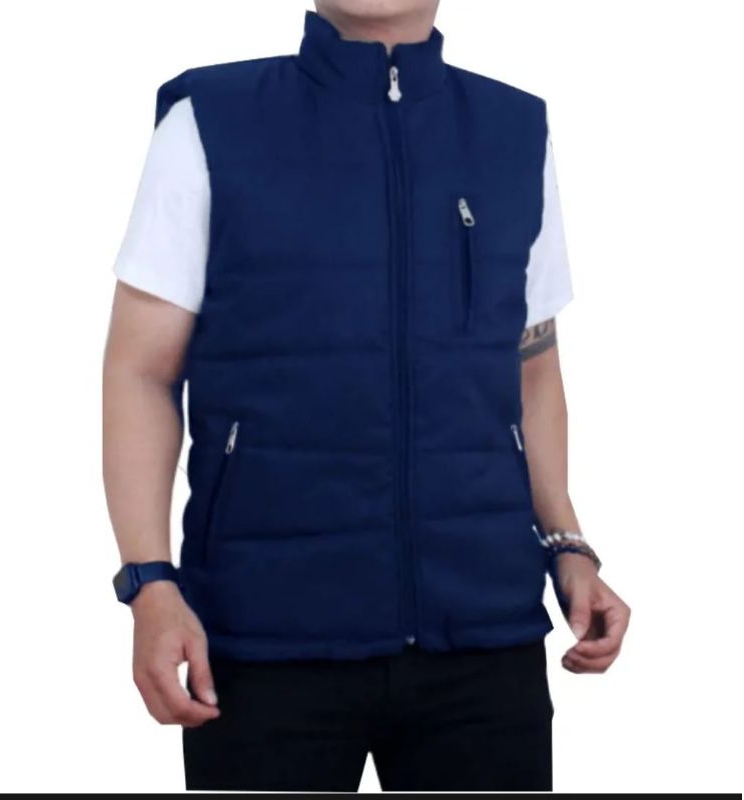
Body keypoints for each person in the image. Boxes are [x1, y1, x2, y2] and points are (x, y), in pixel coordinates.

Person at [102, 1, 631, 791]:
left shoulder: (514, 132)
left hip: (484, 635)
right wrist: (150, 582)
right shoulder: (210, 121)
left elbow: (531, 364)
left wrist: (567, 546)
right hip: (263, 638)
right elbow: (141, 371)